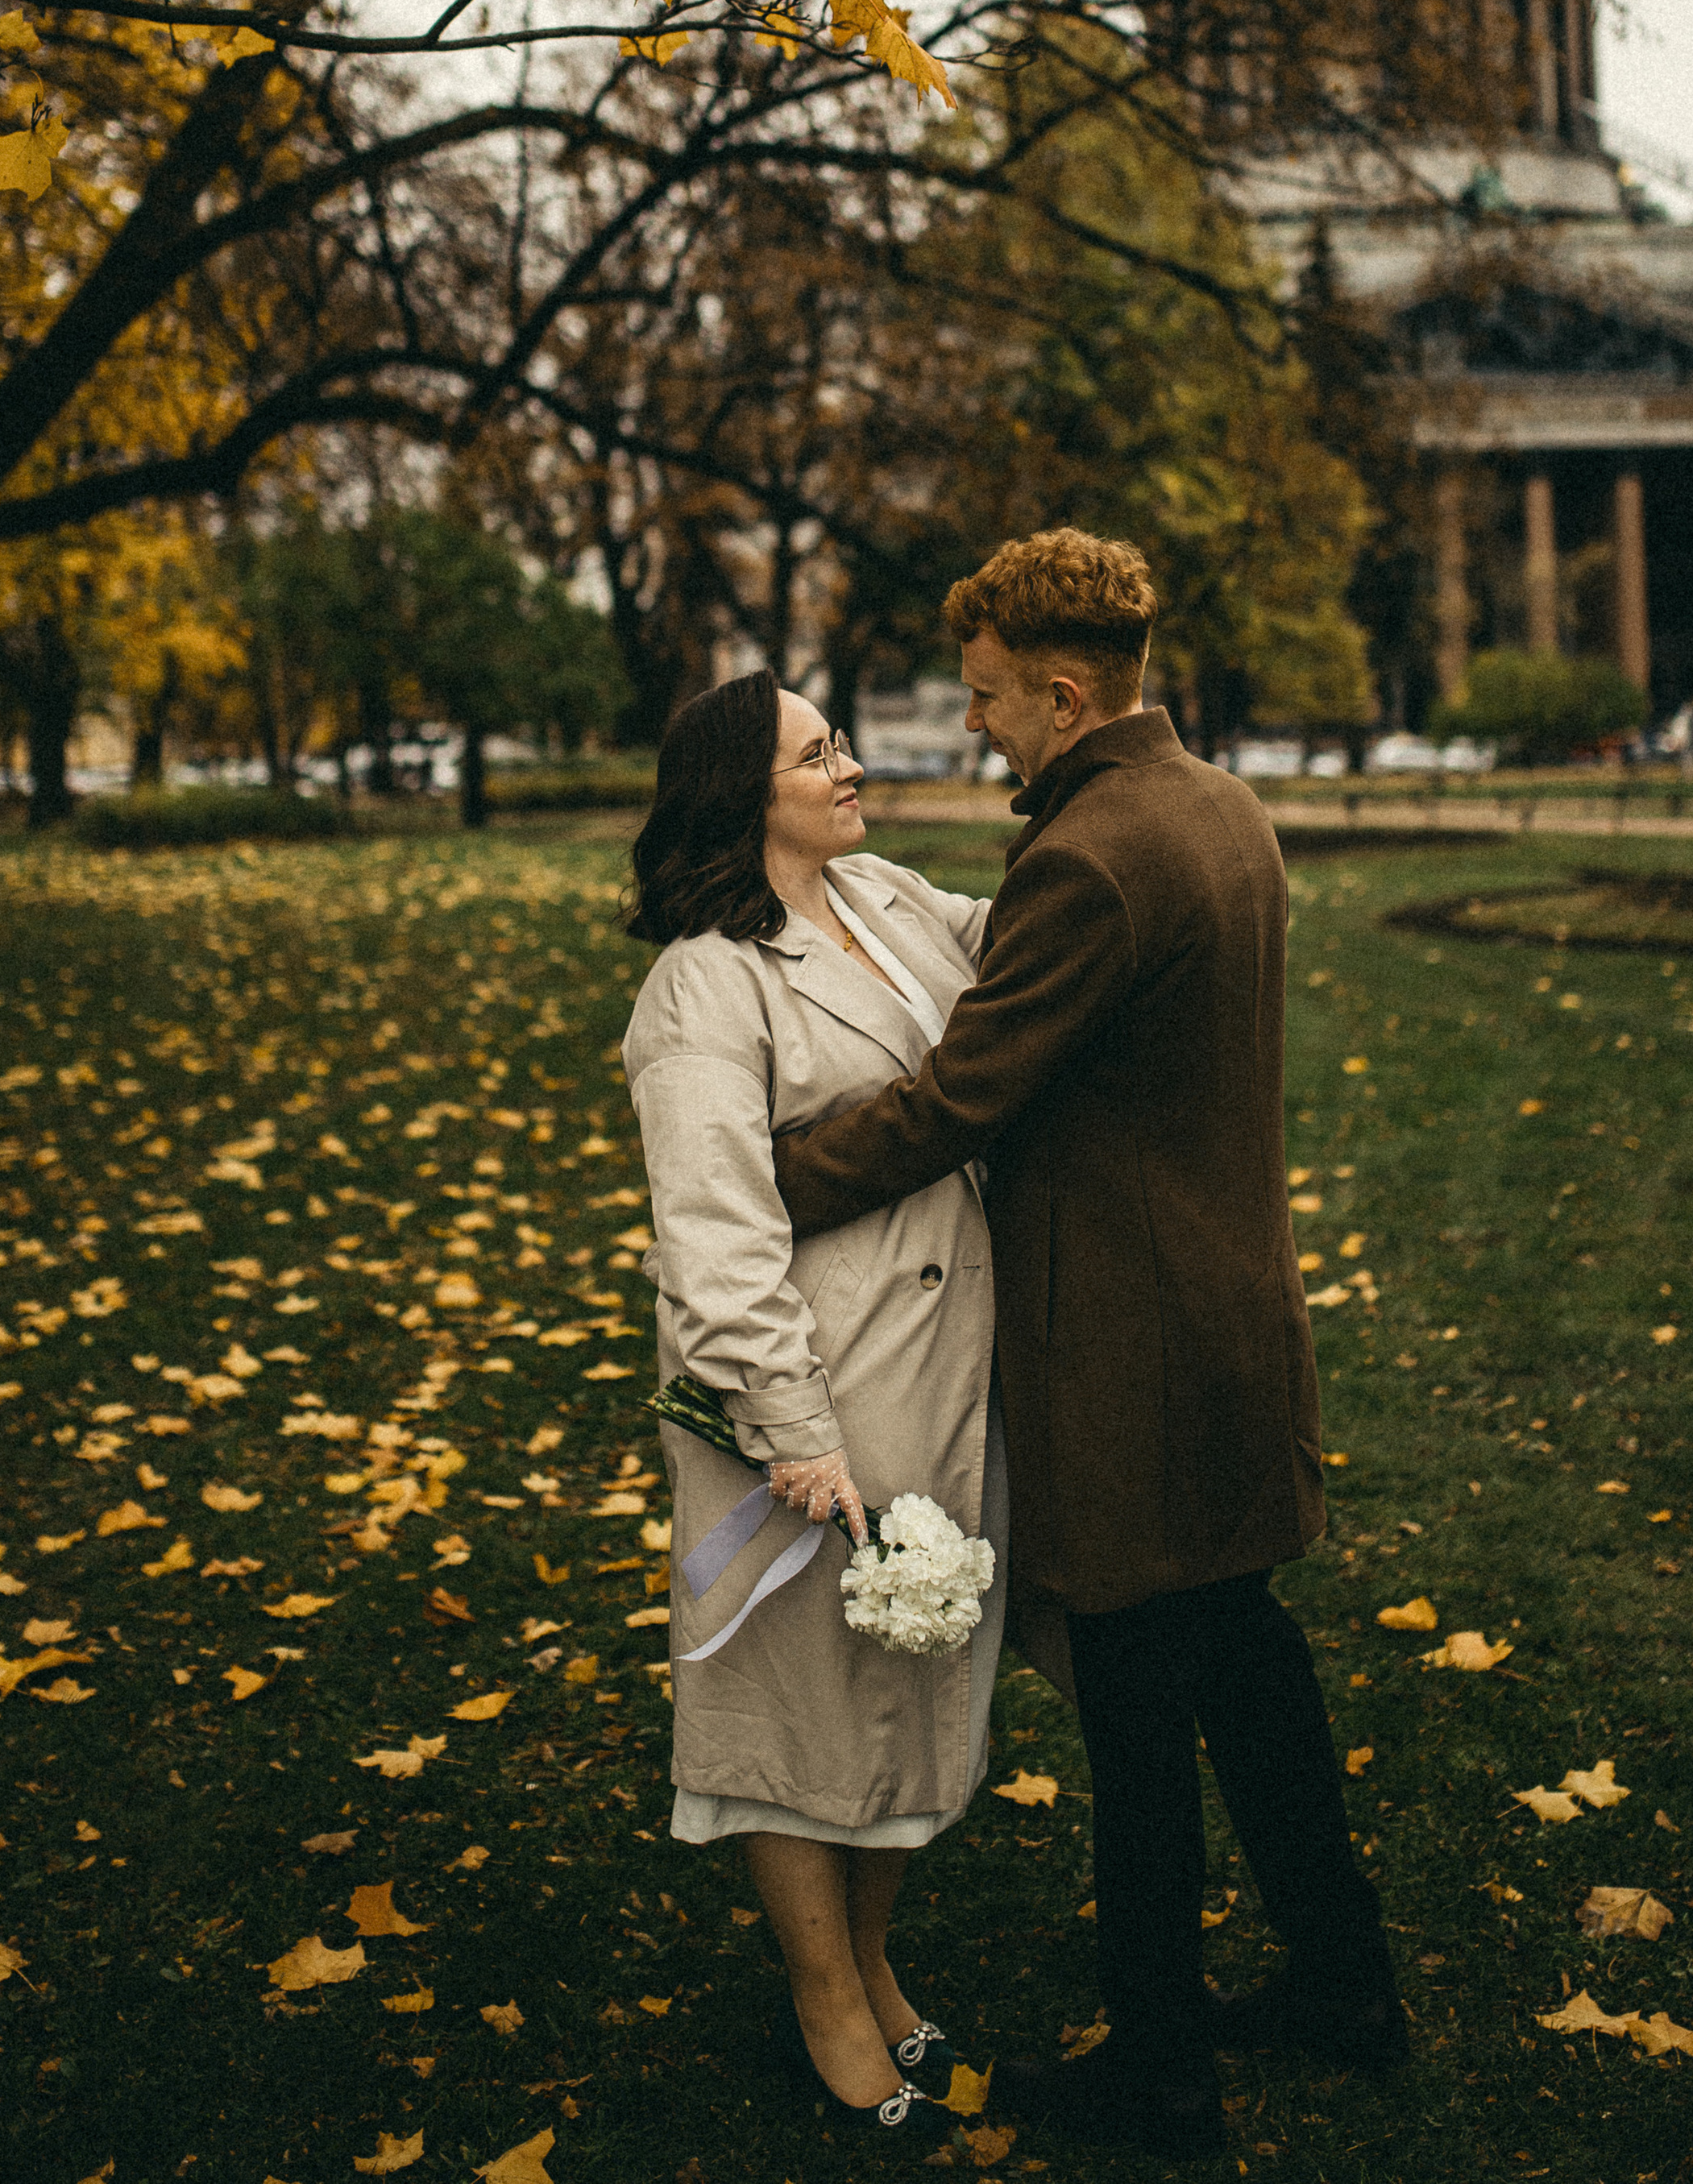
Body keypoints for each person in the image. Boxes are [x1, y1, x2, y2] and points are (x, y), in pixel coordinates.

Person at [772, 530, 1404, 2162]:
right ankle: (1343, 1987)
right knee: (1250, 1676)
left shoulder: (1091, 855)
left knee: (1136, 1720)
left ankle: (1161, 2078)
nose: (970, 725)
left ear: (1060, 695)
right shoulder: (1217, 807)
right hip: (1231, 1328)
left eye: (985, 699)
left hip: (1126, 1357)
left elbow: (955, 1098)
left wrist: (768, 1177)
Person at [621, 669, 1007, 2153]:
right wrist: (795, 1432)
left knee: (913, 1671)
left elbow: (1031, 945)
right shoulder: (702, 984)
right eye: (818, 750)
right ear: (748, 792)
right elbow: (711, 1236)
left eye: (838, 741)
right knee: (799, 1701)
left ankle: (874, 1955)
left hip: (949, 1365)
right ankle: (824, 1997)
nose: (851, 765)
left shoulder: (893, 897)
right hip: (806, 1391)